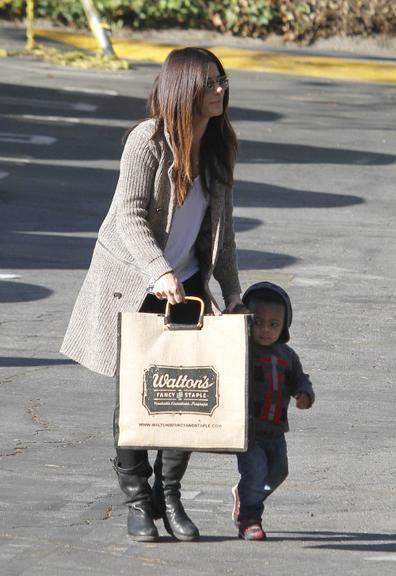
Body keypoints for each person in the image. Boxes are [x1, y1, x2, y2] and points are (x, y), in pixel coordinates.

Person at [60, 47, 244, 542]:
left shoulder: (218, 148)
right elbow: (130, 216)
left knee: (182, 400)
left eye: (221, 81)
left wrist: (234, 296)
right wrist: (158, 270)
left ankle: (170, 496)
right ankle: (139, 502)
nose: (220, 91)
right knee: (136, 400)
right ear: (184, 89)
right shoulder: (148, 141)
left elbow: (222, 235)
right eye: (210, 84)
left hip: (185, 286)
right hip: (134, 282)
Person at [231, 281, 315, 541]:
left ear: (284, 326)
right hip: (249, 430)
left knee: (278, 473)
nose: (265, 330)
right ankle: (249, 518)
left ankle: (245, 494)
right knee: (256, 473)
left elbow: (301, 379)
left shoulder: (288, 356)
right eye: (258, 323)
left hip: (276, 430)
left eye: (273, 324)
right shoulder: (242, 351)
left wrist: (304, 395)